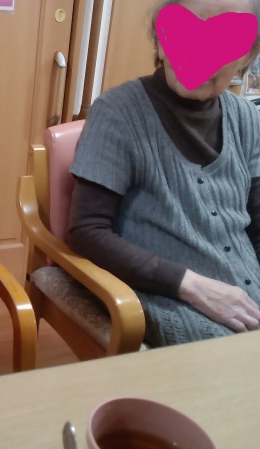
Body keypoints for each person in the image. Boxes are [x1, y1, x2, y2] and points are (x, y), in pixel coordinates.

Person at [67, 0, 260, 347]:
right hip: (169, 298)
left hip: (247, 291)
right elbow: (86, 232)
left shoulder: (248, 118)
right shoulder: (118, 112)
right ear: (160, 40)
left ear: (247, 56)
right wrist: (192, 286)